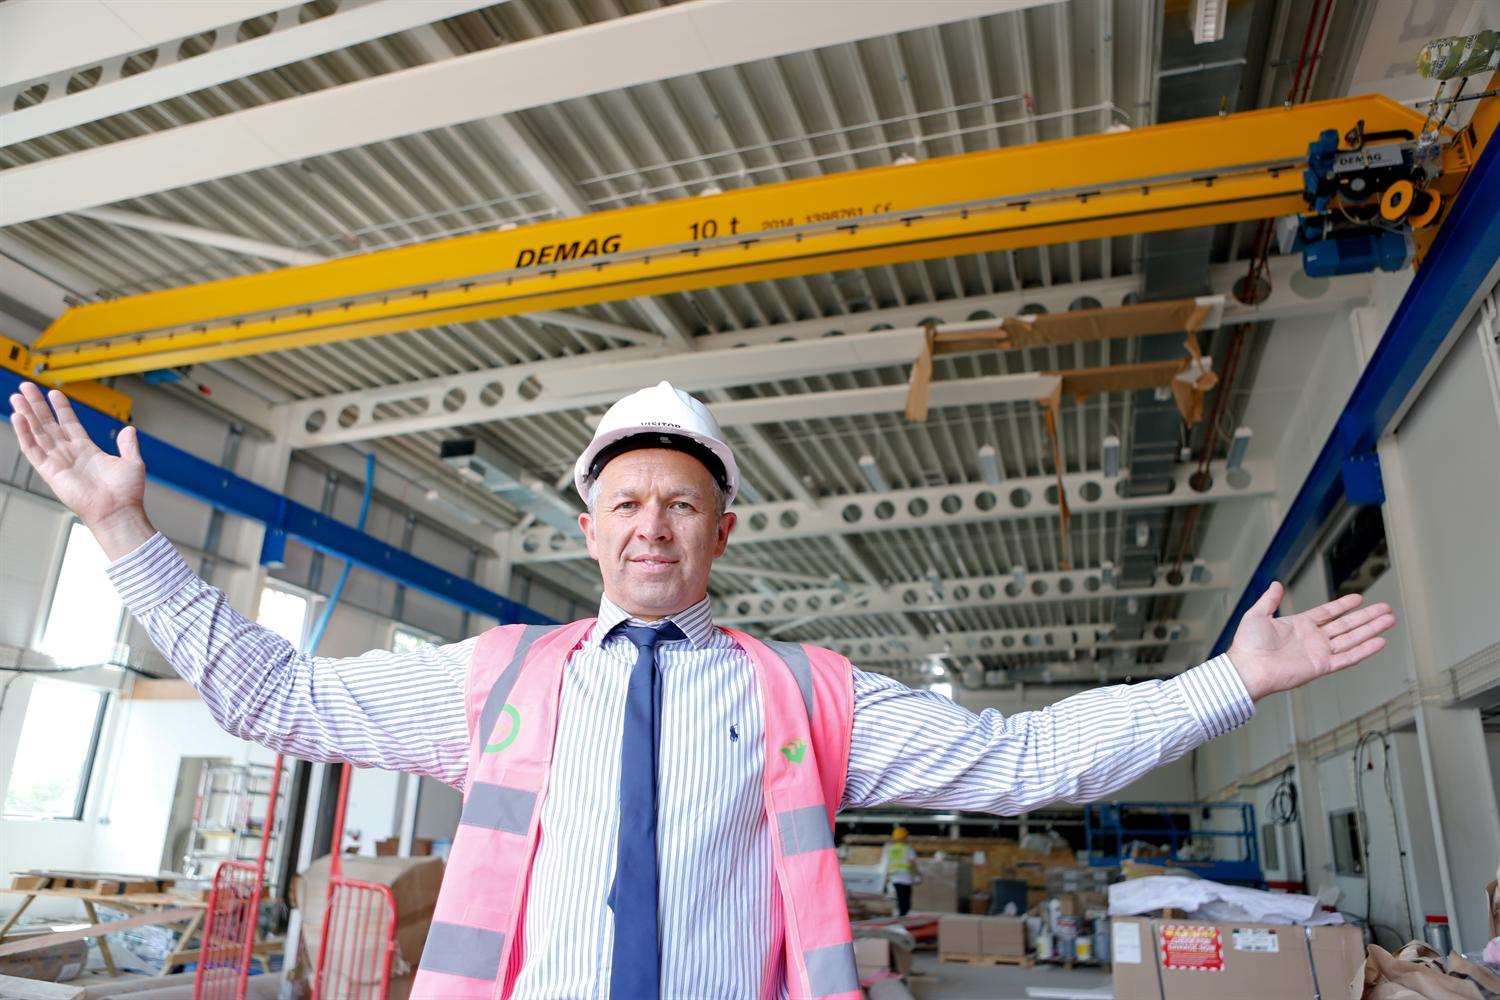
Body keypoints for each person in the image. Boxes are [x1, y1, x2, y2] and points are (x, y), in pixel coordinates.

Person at [7, 379, 1396, 1000]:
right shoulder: (497, 682)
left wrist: (1229, 682)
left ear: (722, 531)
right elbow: (269, 699)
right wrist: (124, 535)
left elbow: (1030, 760)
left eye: (683, 503)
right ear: (589, 531)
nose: (652, 526)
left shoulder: (804, 694)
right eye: (626, 503)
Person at [881, 826, 915, 916]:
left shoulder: (890, 849)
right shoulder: (908, 849)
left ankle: (901, 916)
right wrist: (916, 875)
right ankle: (903, 917)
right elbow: (912, 864)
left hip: (895, 877)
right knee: (906, 900)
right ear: (905, 837)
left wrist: (886, 878)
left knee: (900, 898)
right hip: (906, 877)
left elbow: (886, 864)